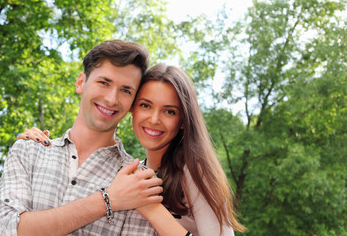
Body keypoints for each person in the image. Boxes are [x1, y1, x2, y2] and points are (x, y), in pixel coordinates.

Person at [17, 64, 246, 235]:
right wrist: (38, 145)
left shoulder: (195, 172)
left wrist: (152, 209)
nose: (154, 119)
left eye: (169, 111)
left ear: (183, 120)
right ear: (132, 109)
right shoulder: (132, 174)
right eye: (145, 105)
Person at [0, 40, 190, 236]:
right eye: (104, 82)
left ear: (132, 103)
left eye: (125, 90)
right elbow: (5, 229)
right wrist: (108, 200)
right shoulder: (28, 150)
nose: (111, 99)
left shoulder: (137, 181)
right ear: (80, 82)